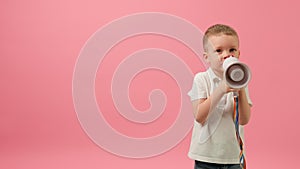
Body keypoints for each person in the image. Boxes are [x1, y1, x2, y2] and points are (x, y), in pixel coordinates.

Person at [188, 24, 253, 169]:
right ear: (207, 57)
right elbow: (199, 116)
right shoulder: (201, 79)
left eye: (232, 50)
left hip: (233, 156)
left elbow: (244, 119)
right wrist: (221, 88)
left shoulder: (242, 82)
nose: (226, 55)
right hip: (206, 156)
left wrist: (240, 87)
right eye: (218, 50)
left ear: (238, 54)